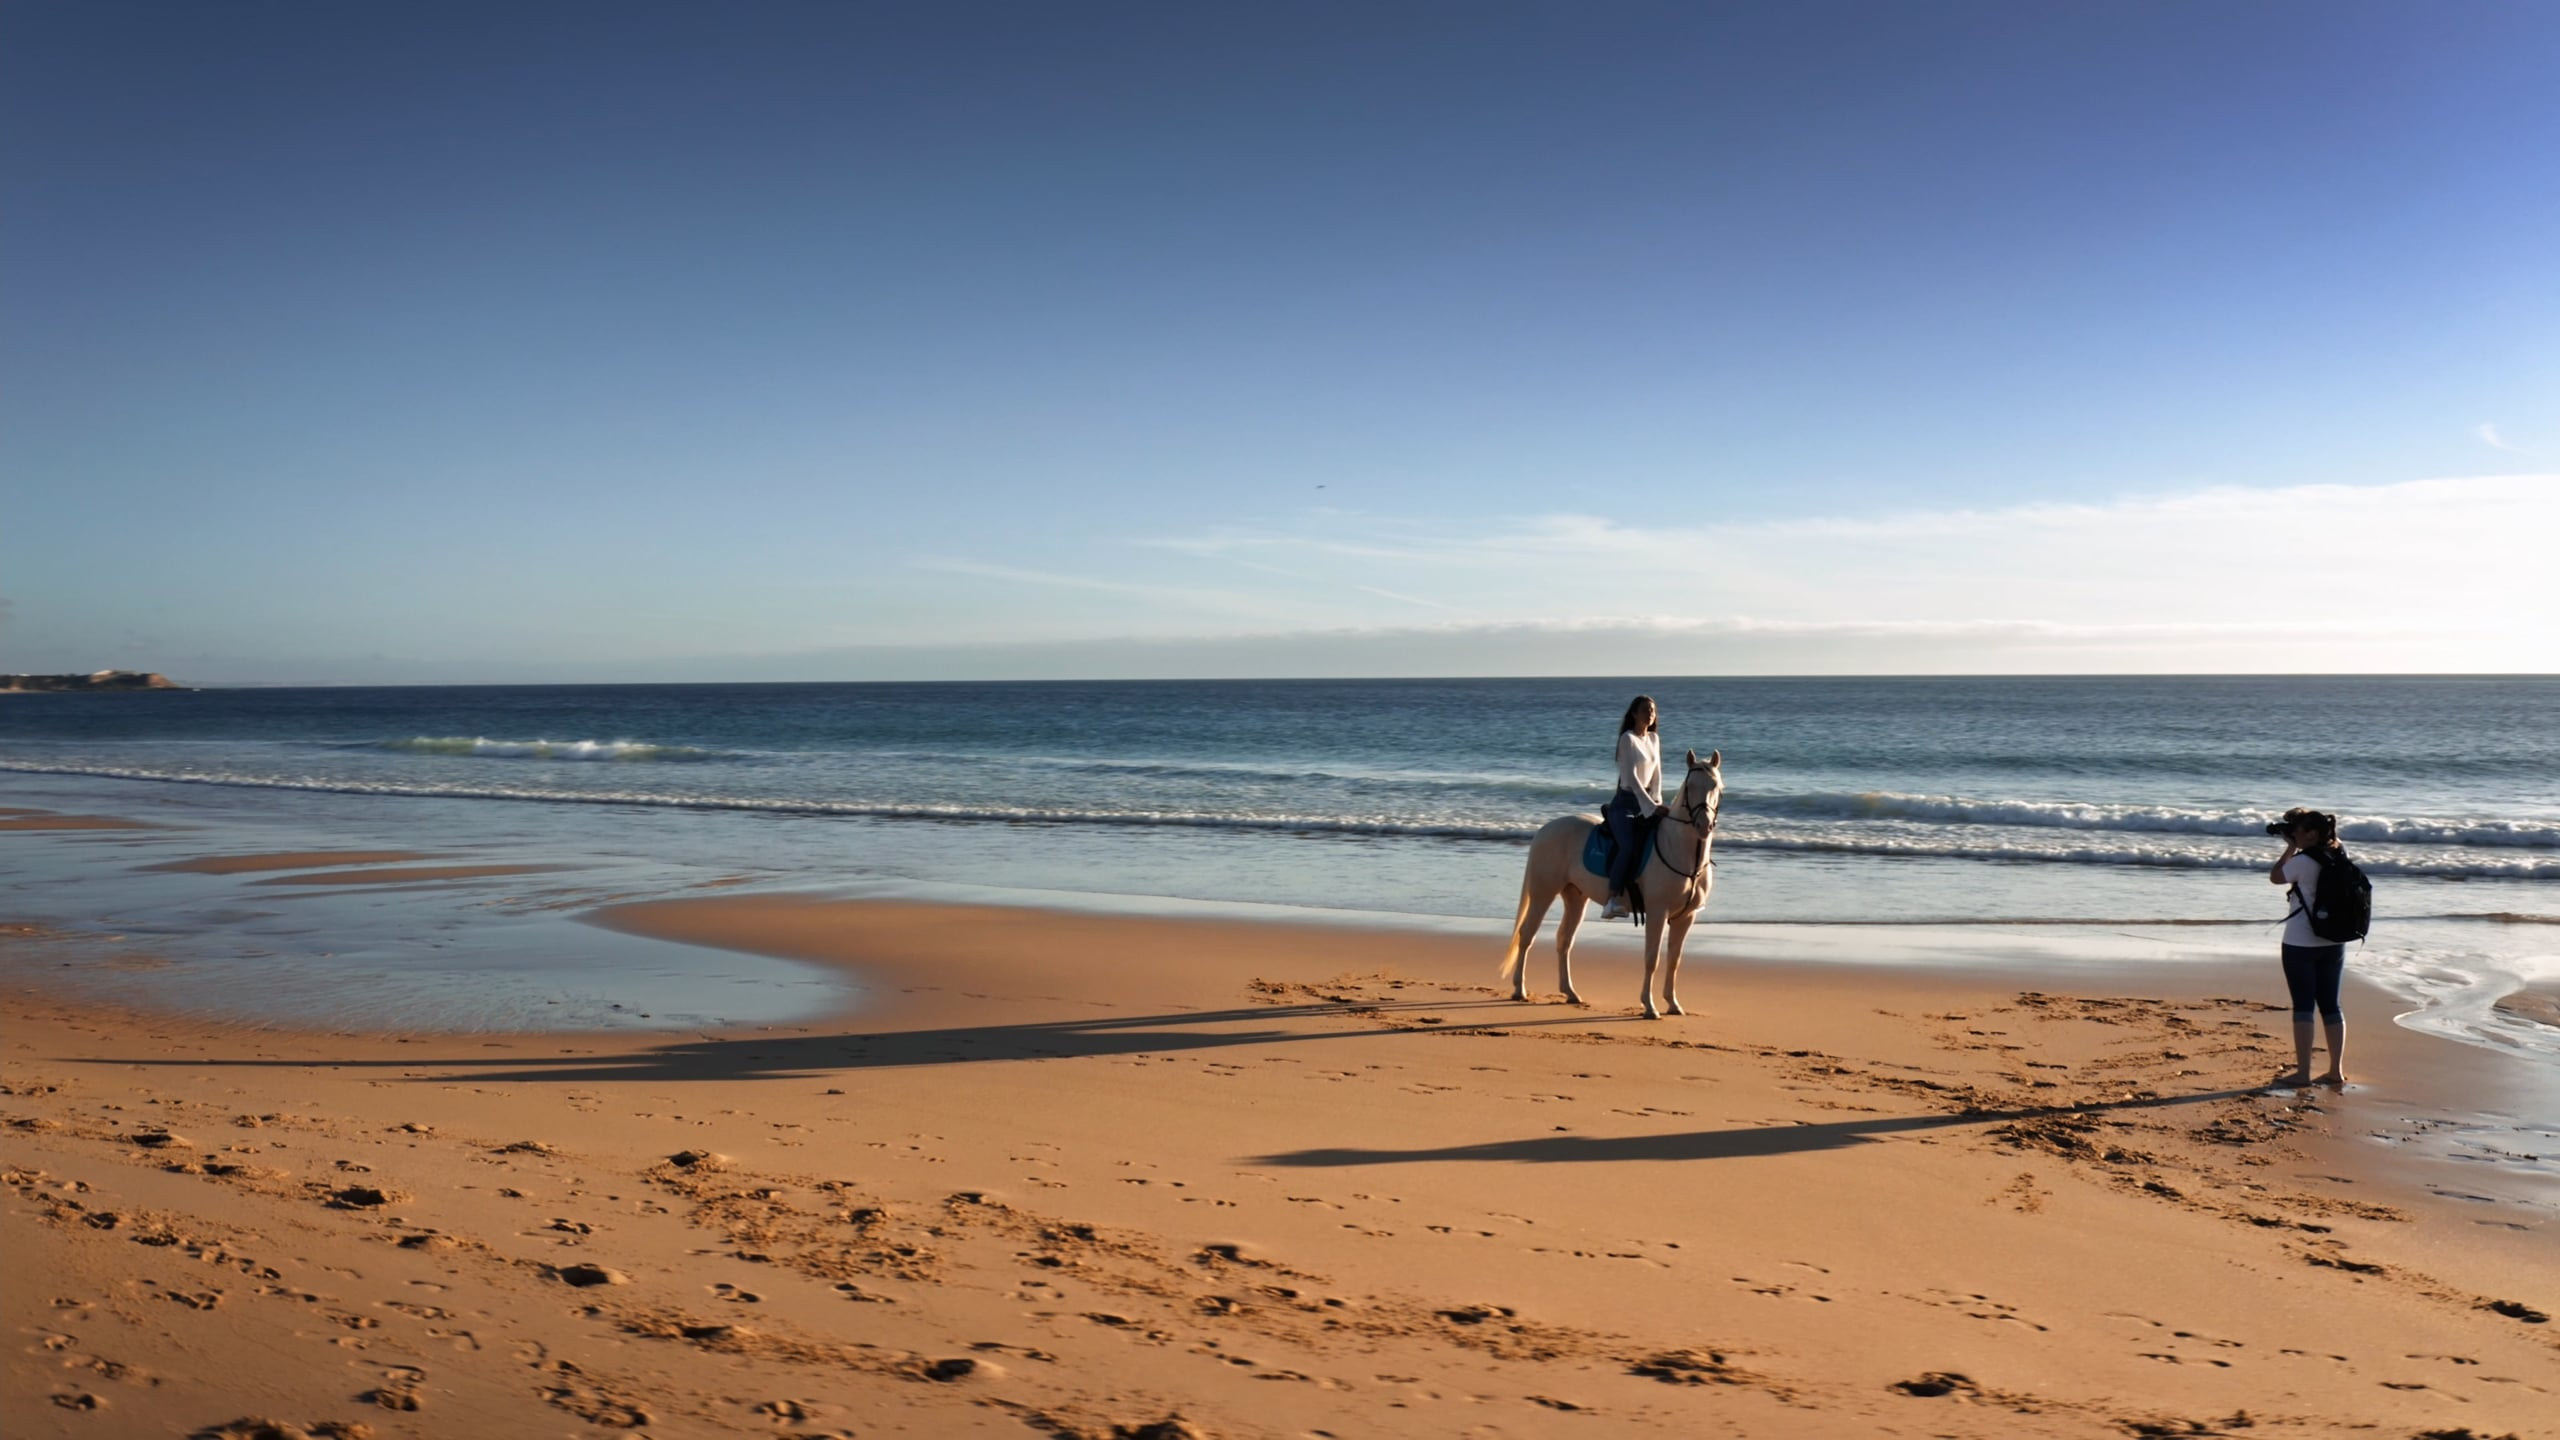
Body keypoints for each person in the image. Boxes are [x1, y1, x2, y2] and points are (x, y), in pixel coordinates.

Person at [2268, 806, 2348, 1087]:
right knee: (2331, 1006)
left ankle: (2303, 1073)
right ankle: (2335, 1071)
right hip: (2335, 940)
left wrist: (2289, 849)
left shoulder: (2302, 861)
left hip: (2300, 942)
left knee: (2303, 1006)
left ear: (2311, 834)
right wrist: (2295, 833)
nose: (2294, 836)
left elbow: (2277, 876)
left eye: (2299, 832)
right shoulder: (2339, 851)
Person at [1600, 695, 1662, 921]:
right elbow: (1633, 779)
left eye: (1653, 710)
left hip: (1647, 801)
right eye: (1646, 710)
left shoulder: (1654, 739)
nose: (1650, 714)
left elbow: (1657, 774)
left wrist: (1658, 801)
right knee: (1627, 846)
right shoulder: (1627, 739)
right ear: (1634, 714)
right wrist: (1650, 806)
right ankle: (1611, 899)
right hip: (1625, 804)